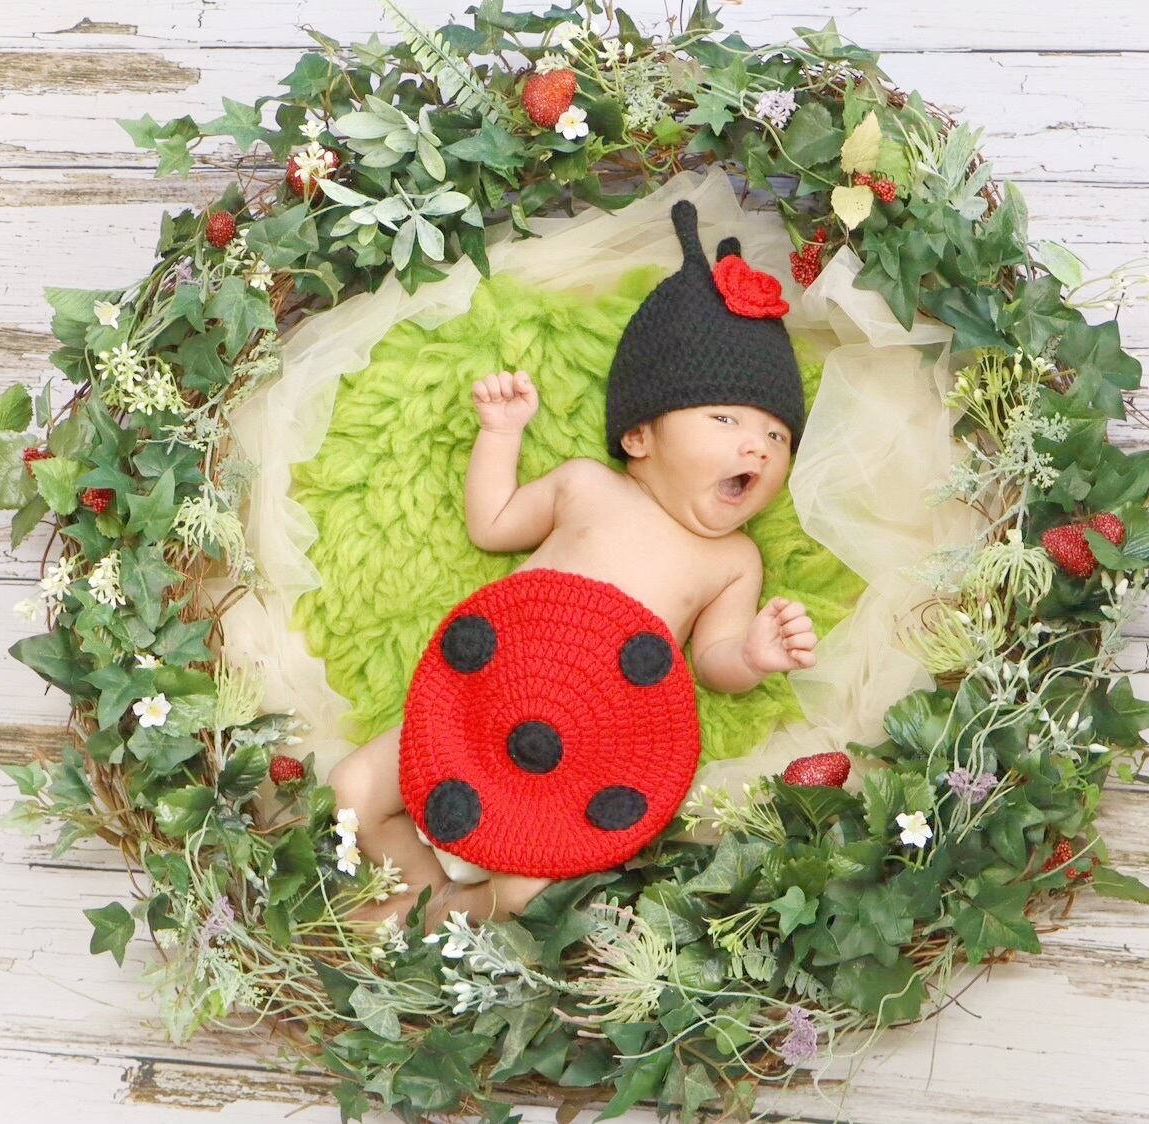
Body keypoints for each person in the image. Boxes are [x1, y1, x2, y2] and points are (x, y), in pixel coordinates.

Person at [328, 199, 818, 930]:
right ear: (640, 437)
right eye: (725, 419)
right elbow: (492, 525)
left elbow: (711, 662)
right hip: (482, 697)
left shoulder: (731, 558)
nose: (756, 446)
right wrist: (500, 435)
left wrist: (751, 655)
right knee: (353, 787)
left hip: (588, 753)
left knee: (532, 888)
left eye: (777, 437)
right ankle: (415, 891)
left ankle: (456, 916)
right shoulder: (585, 486)